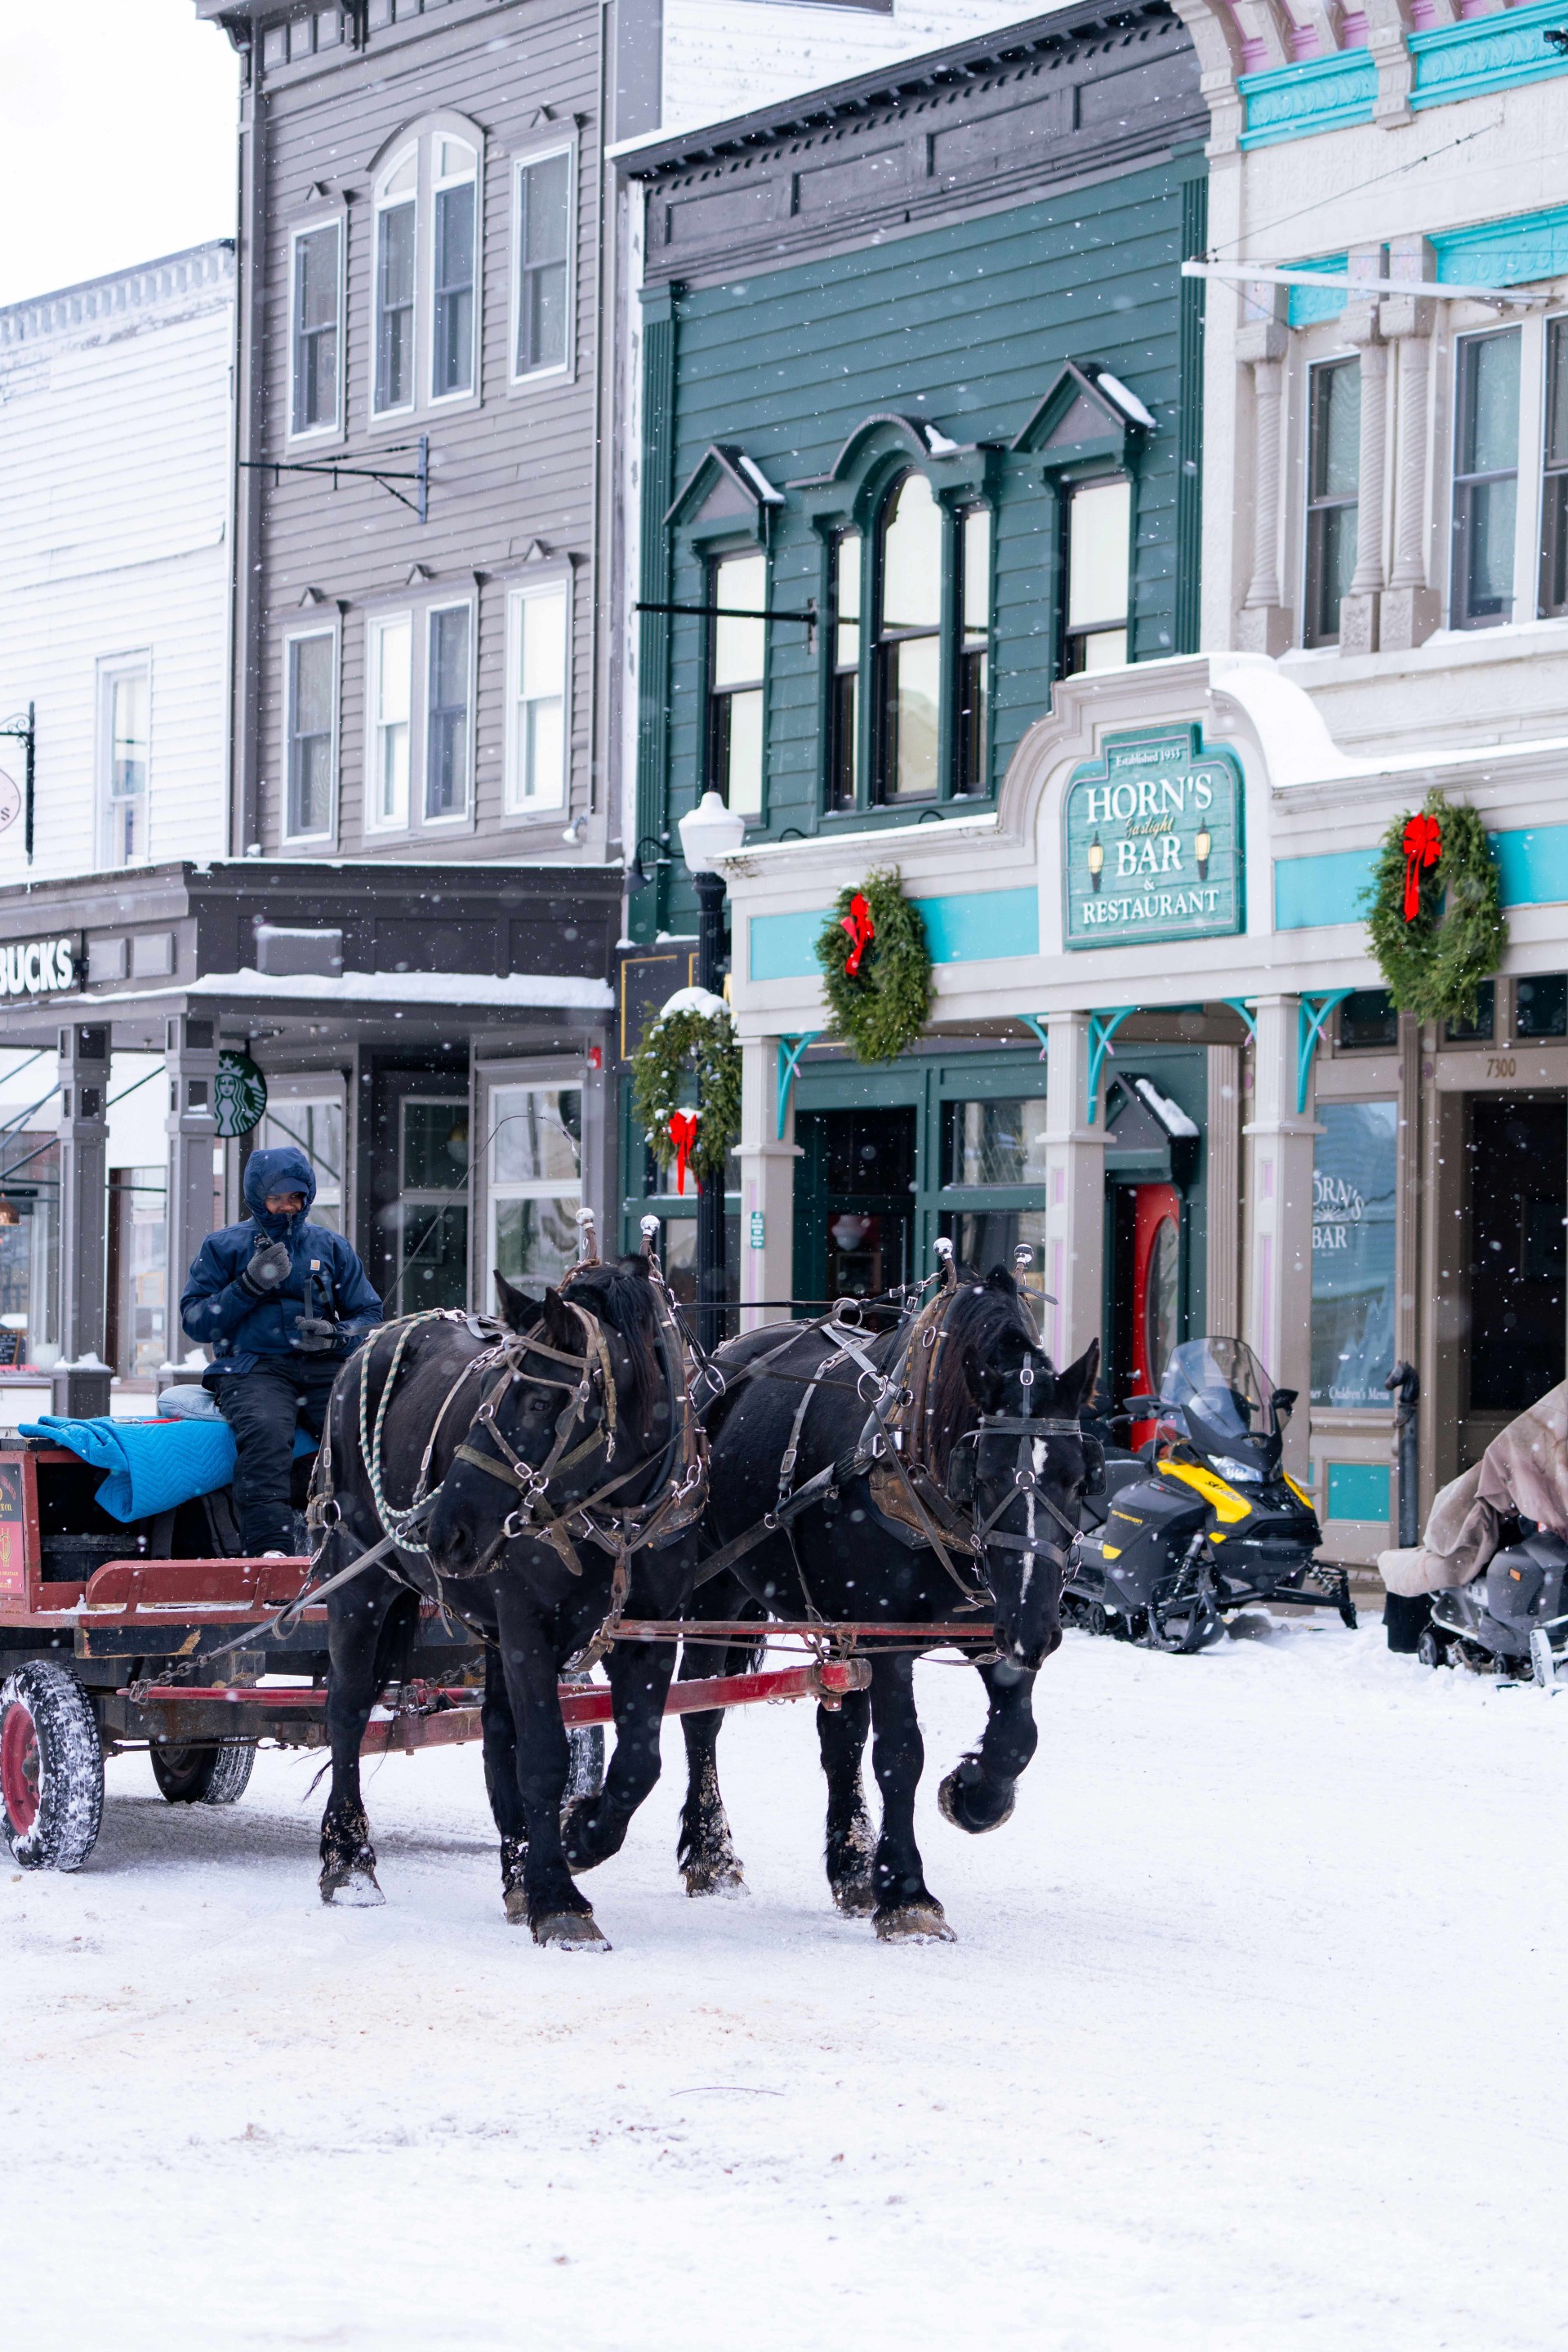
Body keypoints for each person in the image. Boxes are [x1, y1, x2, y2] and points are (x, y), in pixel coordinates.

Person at [180, 1144, 382, 1555]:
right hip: (252, 1367)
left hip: (324, 1365)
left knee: (362, 1435)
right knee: (266, 1436)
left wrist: (337, 1334)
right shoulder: (224, 1247)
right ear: (258, 1197)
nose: (287, 1207)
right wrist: (248, 1287)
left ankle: (365, 1543)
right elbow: (196, 1320)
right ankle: (270, 1550)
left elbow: (370, 1313)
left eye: (295, 1198)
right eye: (276, 1198)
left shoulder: (331, 1247)